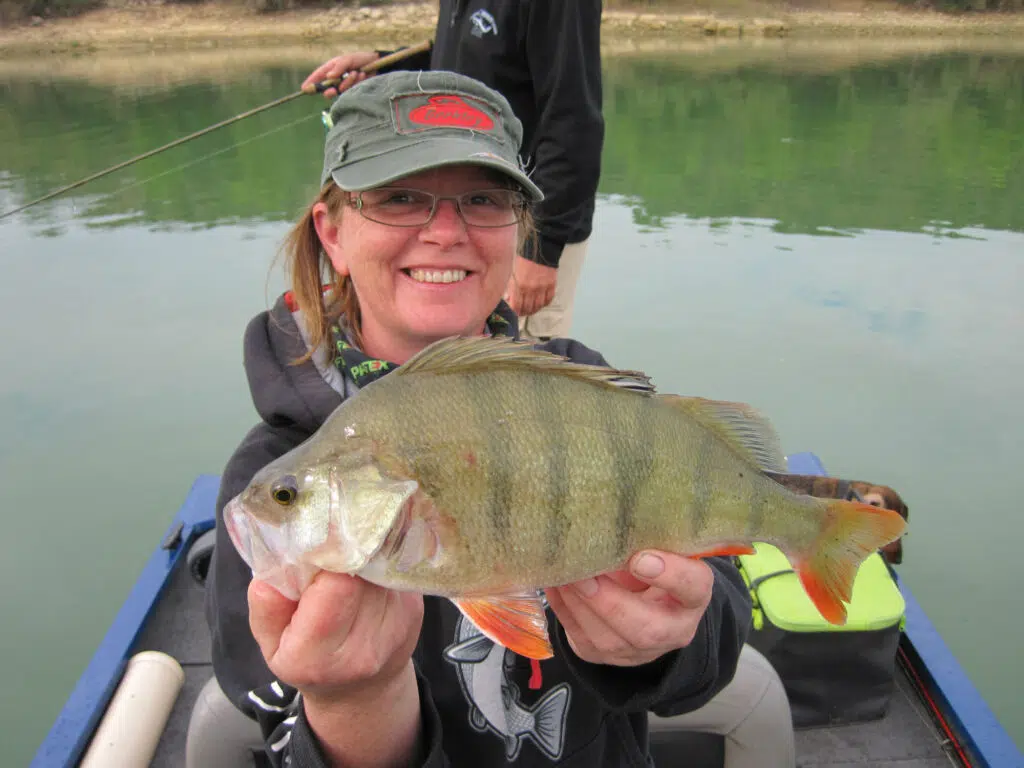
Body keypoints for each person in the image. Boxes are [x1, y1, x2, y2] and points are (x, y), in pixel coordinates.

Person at [202, 70, 794, 768]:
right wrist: (357, 702)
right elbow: (275, 731)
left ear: (518, 230)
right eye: (399, 198)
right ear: (332, 233)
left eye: (483, 200)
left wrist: (669, 640)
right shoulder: (276, 461)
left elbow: (719, 634)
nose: (446, 231)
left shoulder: (586, 394)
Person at [301, 0, 604, 341]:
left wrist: (541, 251)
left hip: (519, 228)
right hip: (457, 208)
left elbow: (575, 122)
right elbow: (474, 61)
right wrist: (387, 64)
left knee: (519, 370)